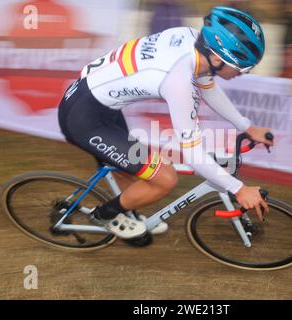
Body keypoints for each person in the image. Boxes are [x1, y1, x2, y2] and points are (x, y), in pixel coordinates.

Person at [57, 6, 273, 240]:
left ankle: (123, 209)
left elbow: (208, 87)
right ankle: (105, 215)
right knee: (165, 178)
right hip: (86, 119)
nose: (244, 72)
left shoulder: (193, 40)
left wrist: (246, 126)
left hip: (95, 103)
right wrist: (238, 189)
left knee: (133, 171)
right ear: (216, 58)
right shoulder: (179, 81)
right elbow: (191, 152)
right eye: (243, 66)